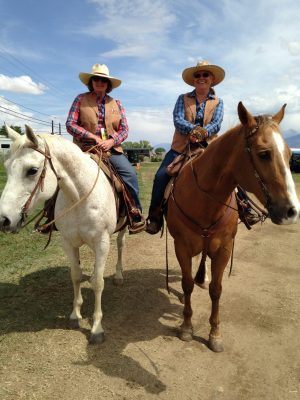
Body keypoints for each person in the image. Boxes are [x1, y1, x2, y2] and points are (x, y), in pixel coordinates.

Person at [146, 60, 259, 235]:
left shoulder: (218, 102)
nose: (201, 78)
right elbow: (178, 119)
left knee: (232, 173)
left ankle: (245, 209)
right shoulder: (182, 98)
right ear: (193, 80)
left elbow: (217, 124)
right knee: (161, 176)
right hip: (181, 148)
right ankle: (155, 216)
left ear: (212, 79)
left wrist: (201, 133)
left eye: (205, 75)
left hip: (210, 150)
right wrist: (193, 130)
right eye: (197, 75)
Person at [66, 63, 145, 234]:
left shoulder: (117, 103)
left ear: (108, 84)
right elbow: (70, 124)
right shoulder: (80, 99)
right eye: (96, 79)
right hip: (84, 147)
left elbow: (124, 129)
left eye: (103, 80)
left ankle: (134, 213)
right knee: (61, 172)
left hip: (111, 149)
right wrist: (92, 136)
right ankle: (50, 214)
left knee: (129, 175)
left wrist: (111, 141)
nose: (100, 82)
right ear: (91, 82)